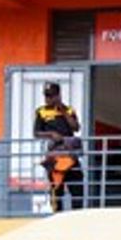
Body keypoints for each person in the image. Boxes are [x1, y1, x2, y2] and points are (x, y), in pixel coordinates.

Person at [33, 81, 82, 211]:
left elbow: (76, 127)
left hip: (70, 156)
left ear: (58, 96)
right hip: (54, 157)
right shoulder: (41, 112)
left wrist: (63, 112)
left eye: (51, 96)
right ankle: (57, 217)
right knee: (56, 191)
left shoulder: (69, 110)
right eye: (46, 96)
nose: (48, 99)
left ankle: (77, 217)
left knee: (77, 190)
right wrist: (51, 134)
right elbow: (36, 133)